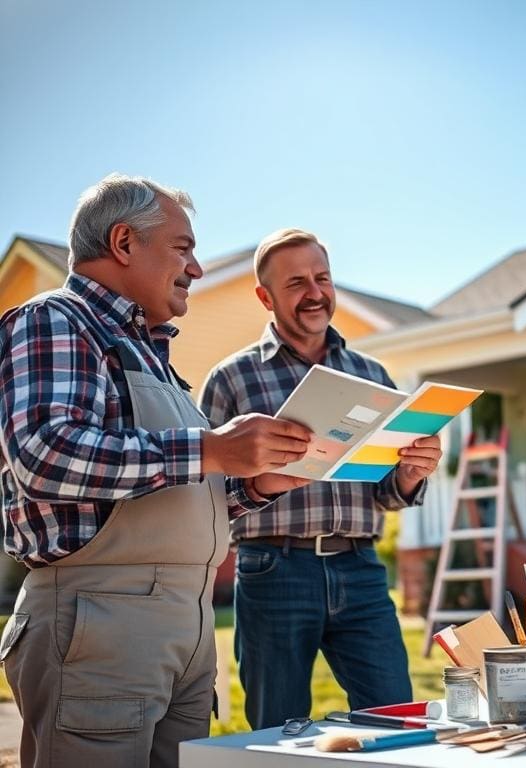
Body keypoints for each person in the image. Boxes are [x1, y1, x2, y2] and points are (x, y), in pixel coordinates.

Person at [0, 174, 314, 768]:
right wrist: (211, 451)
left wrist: (252, 485)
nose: (195, 269)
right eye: (183, 248)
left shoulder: (151, 354)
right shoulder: (56, 321)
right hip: (100, 623)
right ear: (123, 242)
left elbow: (170, 489)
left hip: (181, 628)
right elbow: (44, 453)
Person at [199, 228, 442, 729]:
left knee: (397, 718)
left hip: (361, 570)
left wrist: (412, 474)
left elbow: (386, 493)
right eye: (296, 283)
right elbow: (203, 498)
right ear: (265, 297)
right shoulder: (231, 379)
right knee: (278, 731)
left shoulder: (371, 374)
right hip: (273, 570)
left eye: (322, 278)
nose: (314, 292)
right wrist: (259, 480)